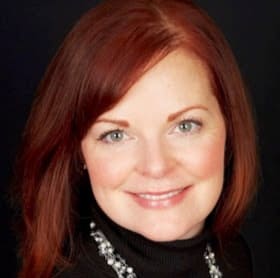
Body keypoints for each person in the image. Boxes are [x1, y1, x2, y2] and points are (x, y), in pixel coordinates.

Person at [15, 0, 258, 277]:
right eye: (115, 135)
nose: (156, 166)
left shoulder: (232, 258)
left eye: (185, 126)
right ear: (78, 151)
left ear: (229, 127)